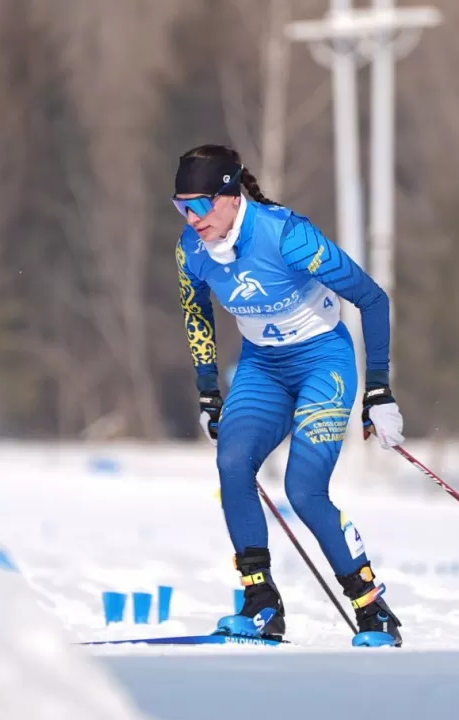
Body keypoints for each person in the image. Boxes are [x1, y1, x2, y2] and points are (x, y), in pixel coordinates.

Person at [172, 144, 406, 647]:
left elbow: (372, 298)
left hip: (323, 362)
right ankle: (261, 604)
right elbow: (196, 314)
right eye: (181, 207)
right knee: (232, 464)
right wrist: (209, 392)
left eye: (200, 206)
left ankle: (372, 609)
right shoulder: (191, 250)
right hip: (263, 368)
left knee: (304, 490)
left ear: (231, 195)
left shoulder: (287, 235)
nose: (192, 219)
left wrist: (379, 390)